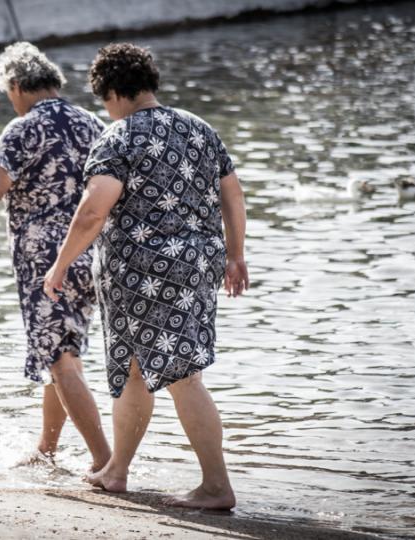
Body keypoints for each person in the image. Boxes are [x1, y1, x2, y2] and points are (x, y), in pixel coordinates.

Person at [43, 43, 249, 509]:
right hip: (197, 263)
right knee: (135, 371)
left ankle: (216, 486)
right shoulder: (200, 129)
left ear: (112, 92)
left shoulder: (118, 138)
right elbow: (232, 196)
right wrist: (236, 255)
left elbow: (94, 210)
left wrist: (60, 264)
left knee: (182, 376)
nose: (106, 109)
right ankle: (116, 471)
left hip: (142, 273)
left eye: (103, 100)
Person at [0, 42, 110, 471]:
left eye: (8, 94)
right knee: (64, 351)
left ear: (16, 86)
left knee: (60, 358)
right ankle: (46, 450)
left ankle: (105, 461)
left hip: (46, 263)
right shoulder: (93, 123)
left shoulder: (23, 128)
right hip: (92, 255)